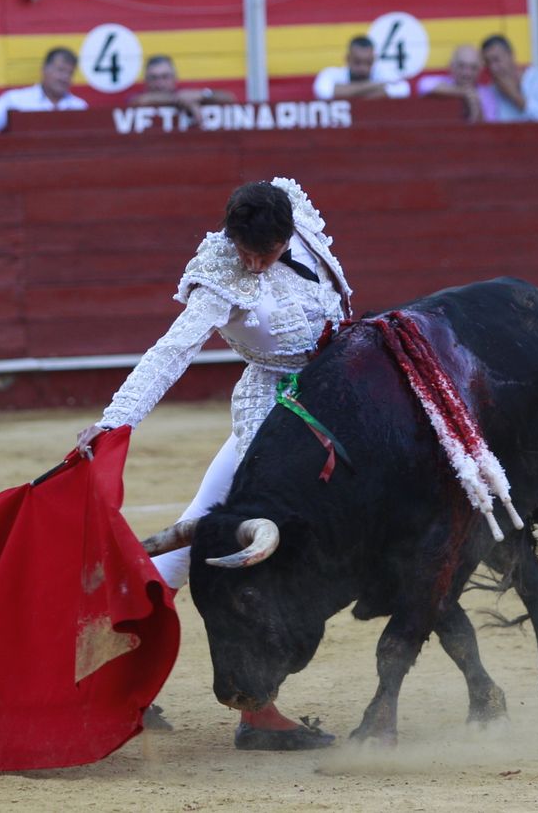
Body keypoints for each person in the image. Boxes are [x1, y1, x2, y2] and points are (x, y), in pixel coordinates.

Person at [73, 177, 350, 752]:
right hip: (271, 416)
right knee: (253, 551)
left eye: (264, 252)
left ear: (288, 234)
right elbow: (172, 350)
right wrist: (116, 420)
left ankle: (112, 681)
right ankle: (252, 710)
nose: (250, 261)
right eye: (243, 249)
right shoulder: (220, 273)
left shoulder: (295, 213)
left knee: (191, 537)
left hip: (336, 398)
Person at [0, 46, 86, 133]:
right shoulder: (17, 100)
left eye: (70, 73)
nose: (64, 77)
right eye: (60, 70)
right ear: (44, 69)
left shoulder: (79, 106)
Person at [479, 34, 538, 122]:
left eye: (496, 60)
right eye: (488, 62)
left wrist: (514, 96)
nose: (493, 68)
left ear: (511, 55)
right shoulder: (491, 90)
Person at [127, 53, 232, 116]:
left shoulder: (188, 95)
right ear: (146, 80)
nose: (159, 83)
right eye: (154, 78)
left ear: (174, 77)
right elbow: (141, 101)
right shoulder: (137, 97)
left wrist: (203, 95)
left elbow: (228, 98)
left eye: (165, 76)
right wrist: (179, 99)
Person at [311, 34, 408, 101]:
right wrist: (376, 86)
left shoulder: (383, 72)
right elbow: (323, 93)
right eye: (357, 62)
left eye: (368, 63)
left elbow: (403, 89)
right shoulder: (331, 74)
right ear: (347, 59)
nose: (363, 68)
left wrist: (346, 93)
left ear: (374, 59)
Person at [415, 43, 480, 121]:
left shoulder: (485, 92)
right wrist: (462, 92)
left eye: (473, 68)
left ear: (479, 70)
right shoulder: (445, 82)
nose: (466, 73)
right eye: (461, 66)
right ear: (452, 66)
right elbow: (424, 86)